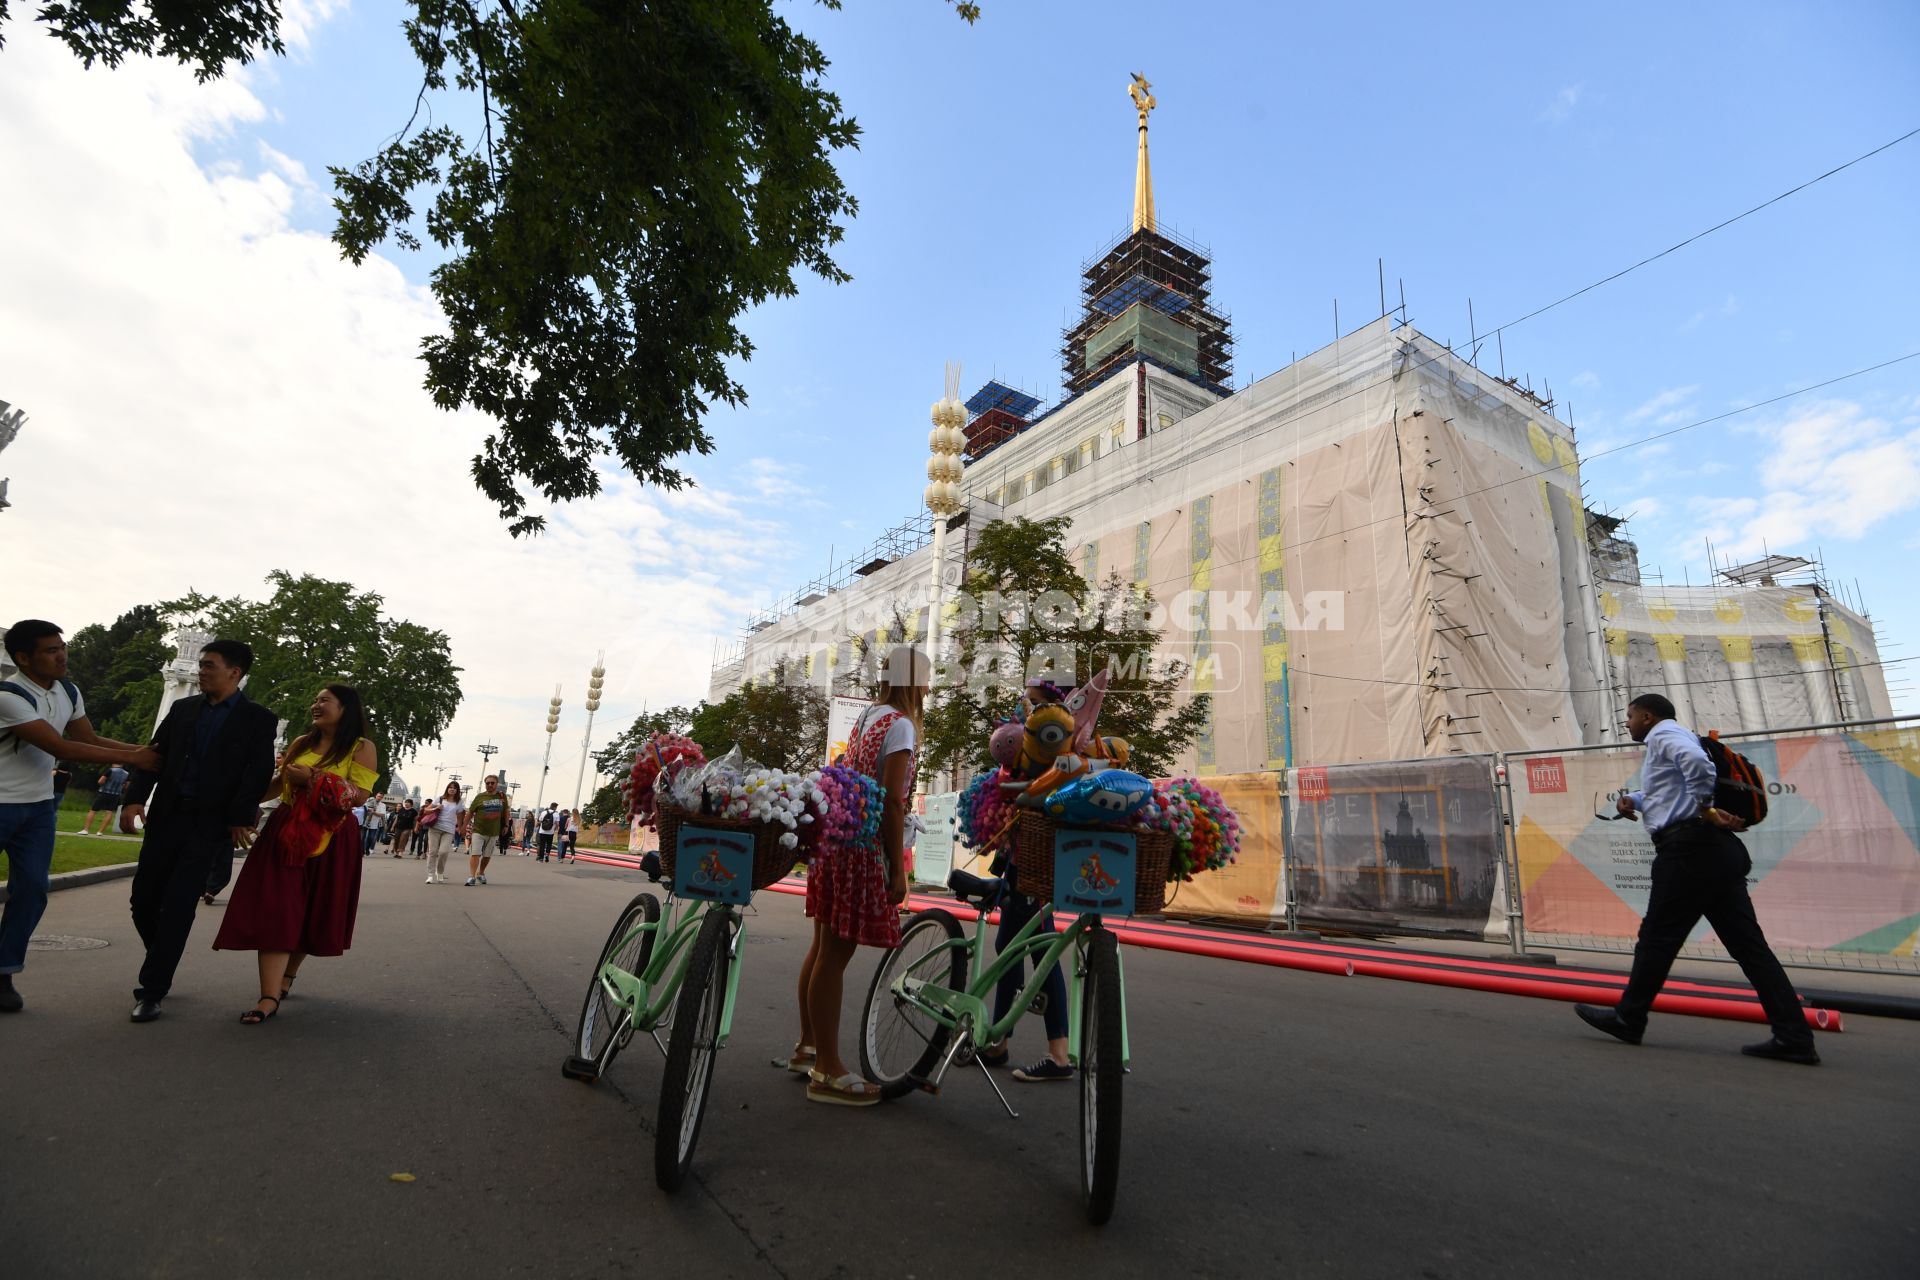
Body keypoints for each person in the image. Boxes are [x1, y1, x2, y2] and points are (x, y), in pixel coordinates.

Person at [1573, 693, 1820, 1065]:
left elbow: (1697, 769)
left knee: (1657, 938)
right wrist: (1634, 801)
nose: (1627, 724)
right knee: (1750, 949)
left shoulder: (1662, 735)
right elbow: (1668, 791)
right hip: (1715, 852)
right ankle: (1794, 1035)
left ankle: (1629, 1017)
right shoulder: (1678, 736)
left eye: (1630, 717)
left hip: (1690, 853)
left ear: (1647, 715)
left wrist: (1707, 810)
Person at [116, 638, 279, 1021]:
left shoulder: (258, 719)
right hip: (167, 818)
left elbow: (256, 773)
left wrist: (241, 816)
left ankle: (152, 988)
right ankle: (162, 954)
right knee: (143, 899)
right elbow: (155, 755)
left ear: (234, 673)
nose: (201, 671)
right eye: (201, 664)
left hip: (208, 825)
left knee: (177, 904)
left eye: (209, 665)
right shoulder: (184, 708)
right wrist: (135, 798)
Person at [0, 620, 158, 1013]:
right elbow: (60, 746)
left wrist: (145, 749)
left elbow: (88, 738)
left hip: (37, 808)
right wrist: (136, 757)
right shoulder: (9, 694)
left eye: (62, 646)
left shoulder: (68, 690)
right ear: (23, 657)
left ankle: (3, 973)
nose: (62, 655)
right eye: (51, 650)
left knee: (33, 889)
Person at [793, 644, 927, 1105]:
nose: (929, 686)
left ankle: (808, 1047)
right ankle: (827, 1072)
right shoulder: (903, 725)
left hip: (835, 838)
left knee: (822, 947)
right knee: (834, 956)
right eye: (926, 678)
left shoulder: (869, 715)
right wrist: (897, 869)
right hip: (861, 845)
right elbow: (893, 800)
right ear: (915, 681)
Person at [213, 684, 377, 1023]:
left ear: (345, 709)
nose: (315, 705)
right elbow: (279, 783)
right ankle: (268, 997)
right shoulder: (302, 743)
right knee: (277, 908)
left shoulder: (362, 747)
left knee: (313, 910)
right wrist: (240, 804)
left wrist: (314, 778)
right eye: (314, 699)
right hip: (285, 831)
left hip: (332, 835)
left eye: (324, 701)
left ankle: (287, 975)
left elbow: (360, 796)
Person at [465, 774, 510, 886]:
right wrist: (462, 826)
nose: (489, 785)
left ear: (496, 784)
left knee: (487, 855)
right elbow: (470, 812)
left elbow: (506, 812)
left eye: (492, 783)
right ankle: (472, 876)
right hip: (478, 830)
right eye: (487, 783)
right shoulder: (480, 797)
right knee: (475, 853)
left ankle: (481, 873)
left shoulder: (502, 796)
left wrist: (506, 825)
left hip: (494, 831)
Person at [423, 782, 463, 883]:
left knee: (443, 852)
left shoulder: (459, 802)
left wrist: (460, 827)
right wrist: (435, 808)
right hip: (435, 828)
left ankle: (440, 872)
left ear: (457, 790)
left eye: (455, 788)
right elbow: (426, 811)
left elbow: (459, 815)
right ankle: (430, 875)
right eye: (450, 787)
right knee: (432, 852)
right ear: (447, 788)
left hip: (449, 830)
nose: (452, 789)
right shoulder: (440, 799)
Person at [82, 763, 130, 834]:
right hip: (116, 795)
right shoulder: (126, 773)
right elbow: (126, 786)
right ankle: (100, 832)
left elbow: (100, 781)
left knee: (93, 810)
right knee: (109, 812)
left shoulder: (110, 770)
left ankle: (85, 830)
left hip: (104, 792)